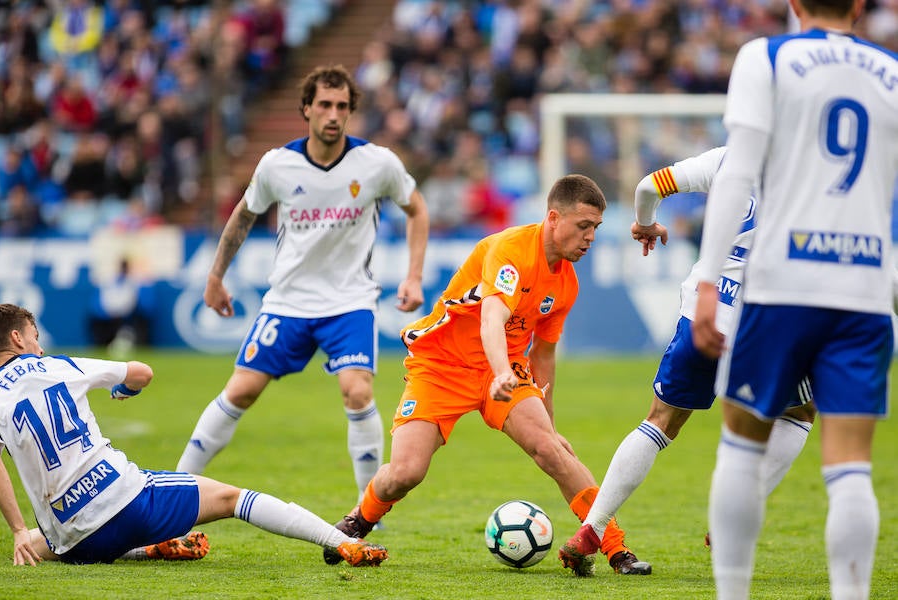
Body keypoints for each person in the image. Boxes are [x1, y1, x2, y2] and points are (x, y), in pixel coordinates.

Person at [322, 174, 652, 575]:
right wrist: (500, 373)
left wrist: (547, 422)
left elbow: (543, 355)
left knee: (552, 450)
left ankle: (616, 549)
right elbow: (491, 318)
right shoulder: (509, 249)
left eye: (595, 229)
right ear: (553, 218)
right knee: (406, 472)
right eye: (583, 226)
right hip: (442, 366)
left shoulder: (566, 283)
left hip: (506, 369)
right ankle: (359, 520)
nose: (590, 237)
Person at [690, 1, 898, 598]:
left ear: (794, 5)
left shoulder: (768, 57)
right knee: (851, 466)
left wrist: (708, 280)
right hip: (862, 290)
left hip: (782, 282)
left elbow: (736, 172)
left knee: (741, 444)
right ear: (859, 6)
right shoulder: (889, 71)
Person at [175, 65, 430, 515]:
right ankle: (175, 487)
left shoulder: (377, 163)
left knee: (358, 391)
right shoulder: (277, 164)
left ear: (350, 112)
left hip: (350, 302)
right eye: (325, 105)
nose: (333, 114)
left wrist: (414, 276)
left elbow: (417, 208)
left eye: (342, 107)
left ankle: (367, 511)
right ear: (307, 109)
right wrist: (215, 276)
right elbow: (243, 216)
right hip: (288, 301)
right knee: (240, 391)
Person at [558, 148, 817, 576]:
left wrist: (643, 223)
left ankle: (592, 527)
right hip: (767, 317)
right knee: (799, 412)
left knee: (660, 421)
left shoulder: (727, 157)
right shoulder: (813, 166)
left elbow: (648, 187)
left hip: (704, 307)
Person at [0, 304, 388, 567]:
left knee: (37, 541)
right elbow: (142, 372)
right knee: (235, 498)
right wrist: (124, 389)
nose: (39, 345)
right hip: (129, 500)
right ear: (18, 340)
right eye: (34, 336)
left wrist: (16, 530)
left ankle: (149, 549)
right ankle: (343, 543)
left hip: (72, 542)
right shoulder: (57, 365)